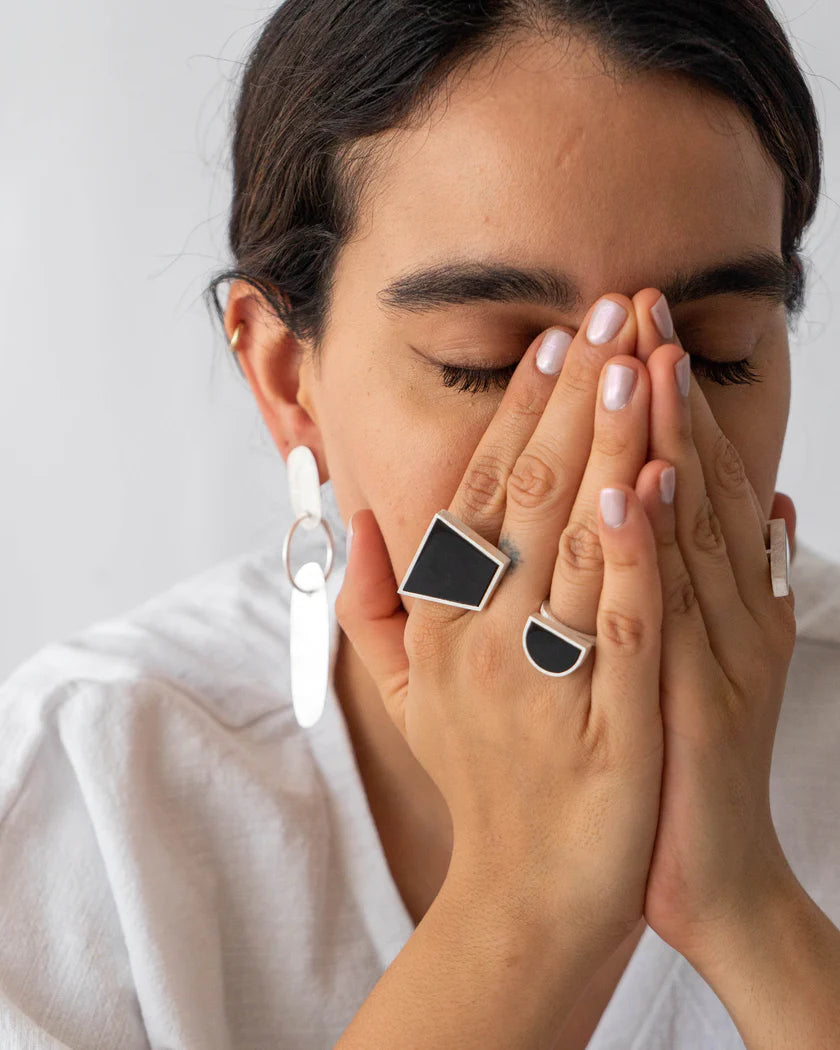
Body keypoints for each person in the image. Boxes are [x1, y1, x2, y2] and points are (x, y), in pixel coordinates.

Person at [1, 1, 838, 1047]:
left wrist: (752, 910)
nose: (616, 459)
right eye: (489, 364)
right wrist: (520, 907)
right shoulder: (83, 794)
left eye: (712, 350)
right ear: (284, 380)